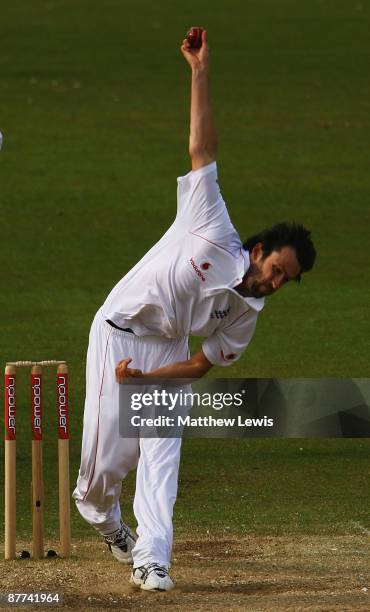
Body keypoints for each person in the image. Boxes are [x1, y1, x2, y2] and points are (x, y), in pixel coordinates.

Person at [73, 28, 316, 592]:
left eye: (288, 281)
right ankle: (103, 517)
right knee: (105, 466)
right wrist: (199, 71)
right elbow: (202, 149)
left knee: (162, 454)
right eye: (277, 269)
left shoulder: (247, 314)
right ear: (258, 251)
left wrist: (150, 379)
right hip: (119, 330)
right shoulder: (211, 223)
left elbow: (203, 366)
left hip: (165, 356)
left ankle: (152, 556)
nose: (276, 283)